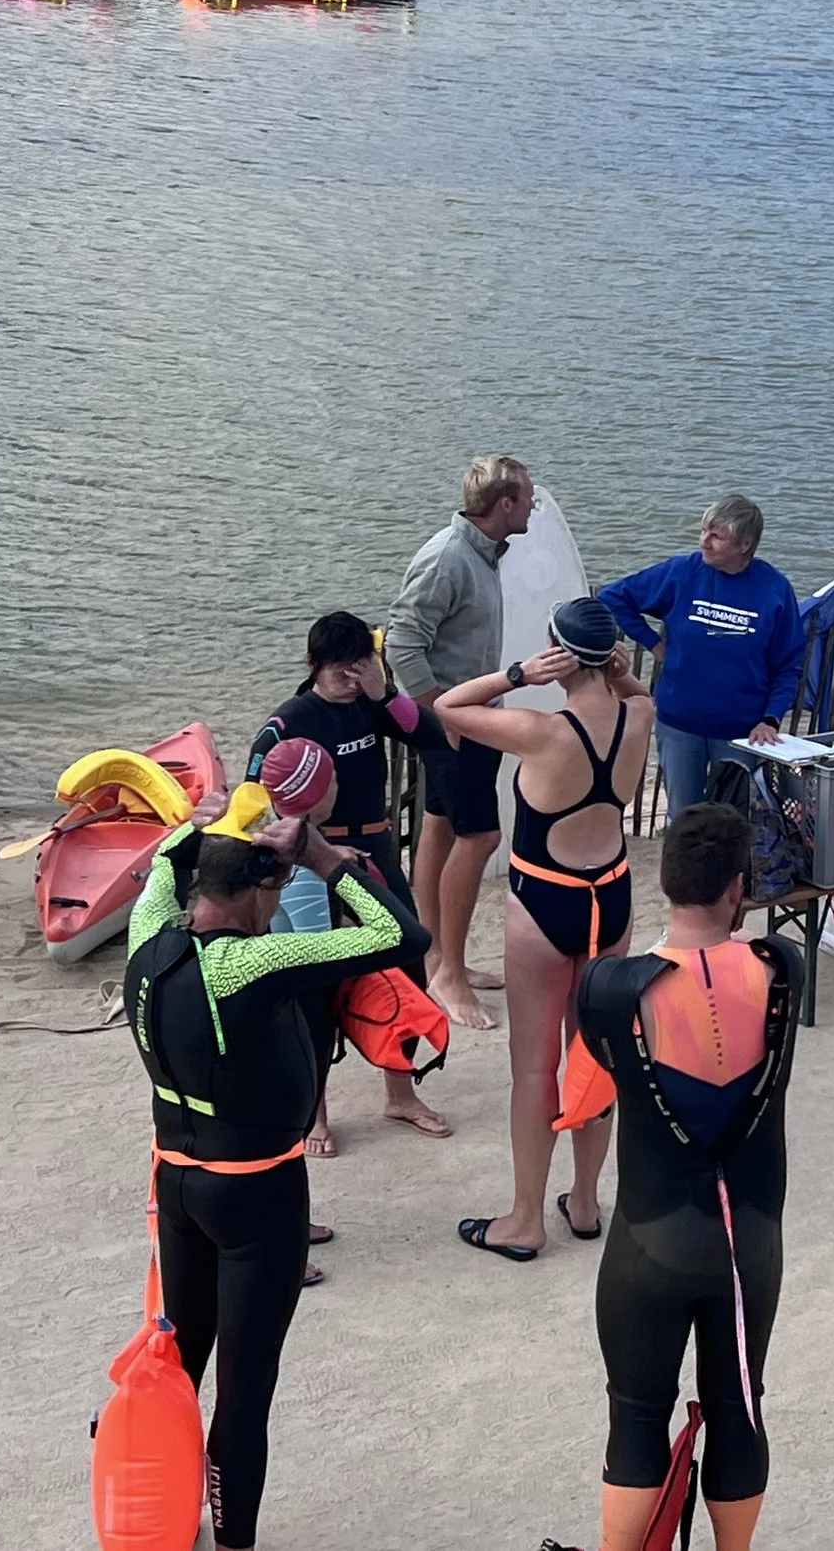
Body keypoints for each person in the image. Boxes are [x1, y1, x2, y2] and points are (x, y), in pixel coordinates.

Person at [123, 815, 429, 1551]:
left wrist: (213, 824)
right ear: (257, 887)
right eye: (278, 885)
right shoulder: (250, 964)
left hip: (179, 1189)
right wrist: (321, 855)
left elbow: (169, 852)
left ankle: (160, 1512)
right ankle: (233, 1545)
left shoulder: (146, 931)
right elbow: (401, 937)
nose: (280, 901)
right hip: (257, 1196)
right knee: (245, 1388)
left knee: (178, 1365)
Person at [552, 803, 802, 1551]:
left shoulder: (607, 987)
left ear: (664, 883)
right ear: (737, 886)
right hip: (747, 1240)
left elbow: (581, 1097)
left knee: (635, 1412)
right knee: (739, 1405)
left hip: (650, 1239)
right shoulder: (781, 970)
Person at [437, 597, 655, 1261]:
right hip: (610, 899)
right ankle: (585, 1202)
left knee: (535, 1069)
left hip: (544, 901)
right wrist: (617, 673)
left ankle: (525, 1218)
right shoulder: (638, 715)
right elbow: (638, 690)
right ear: (610, 654)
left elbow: (448, 707)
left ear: (556, 653)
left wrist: (516, 673)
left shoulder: (540, 730)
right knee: (597, 1054)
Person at [247, 610, 452, 1149]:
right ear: (315, 665)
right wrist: (306, 844)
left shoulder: (369, 703)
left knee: (408, 959)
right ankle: (315, 1110)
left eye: (360, 665)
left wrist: (386, 695)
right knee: (315, 983)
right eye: (341, 668)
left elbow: (432, 736)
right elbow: (255, 788)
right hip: (315, 853)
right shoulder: (293, 717)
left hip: (376, 844)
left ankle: (400, 1092)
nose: (351, 677)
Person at [387, 453, 534, 1031]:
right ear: (504, 504)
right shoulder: (449, 557)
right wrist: (436, 716)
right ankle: (445, 972)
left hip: (470, 721)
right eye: (526, 497)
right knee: (482, 835)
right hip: (457, 725)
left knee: (441, 827)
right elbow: (402, 641)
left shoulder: (482, 553)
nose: (531, 505)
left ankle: (439, 956)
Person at [597, 493, 805, 816]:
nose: (704, 541)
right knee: (683, 818)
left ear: (744, 545)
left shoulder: (774, 590)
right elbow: (613, 597)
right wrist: (653, 642)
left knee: (734, 822)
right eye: (703, 530)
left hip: (742, 732)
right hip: (681, 724)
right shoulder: (682, 572)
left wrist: (770, 718)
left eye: (716, 535)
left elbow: (789, 665)